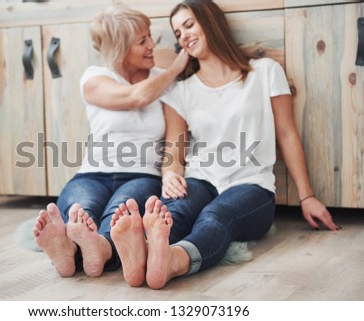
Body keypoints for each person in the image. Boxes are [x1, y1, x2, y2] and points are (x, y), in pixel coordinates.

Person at [110, 0, 341, 289]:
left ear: (211, 21)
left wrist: (306, 197)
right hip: (201, 178)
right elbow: (174, 149)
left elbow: (287, 134)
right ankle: (142, 254)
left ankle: (174, 260)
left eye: (189, 25)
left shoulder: (265, 72)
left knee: (215, 215)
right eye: (178, 33)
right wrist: (170, 175)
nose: (184, 36)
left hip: (251, 185)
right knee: (175, 212)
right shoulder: (181, 91)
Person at [32, 4, 189, 278]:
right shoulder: (94, 78)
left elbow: (176, 139)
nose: (152, 44)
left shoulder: (165, 83)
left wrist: (170, 174)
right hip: (92, 174)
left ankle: (98, 249)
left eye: (149, 36)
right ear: (119, 47)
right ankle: (68, 248)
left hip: (140, 175)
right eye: (142, 41)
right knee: (83, 210)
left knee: (120, 217)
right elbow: (136, 97)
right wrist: (176, 67)